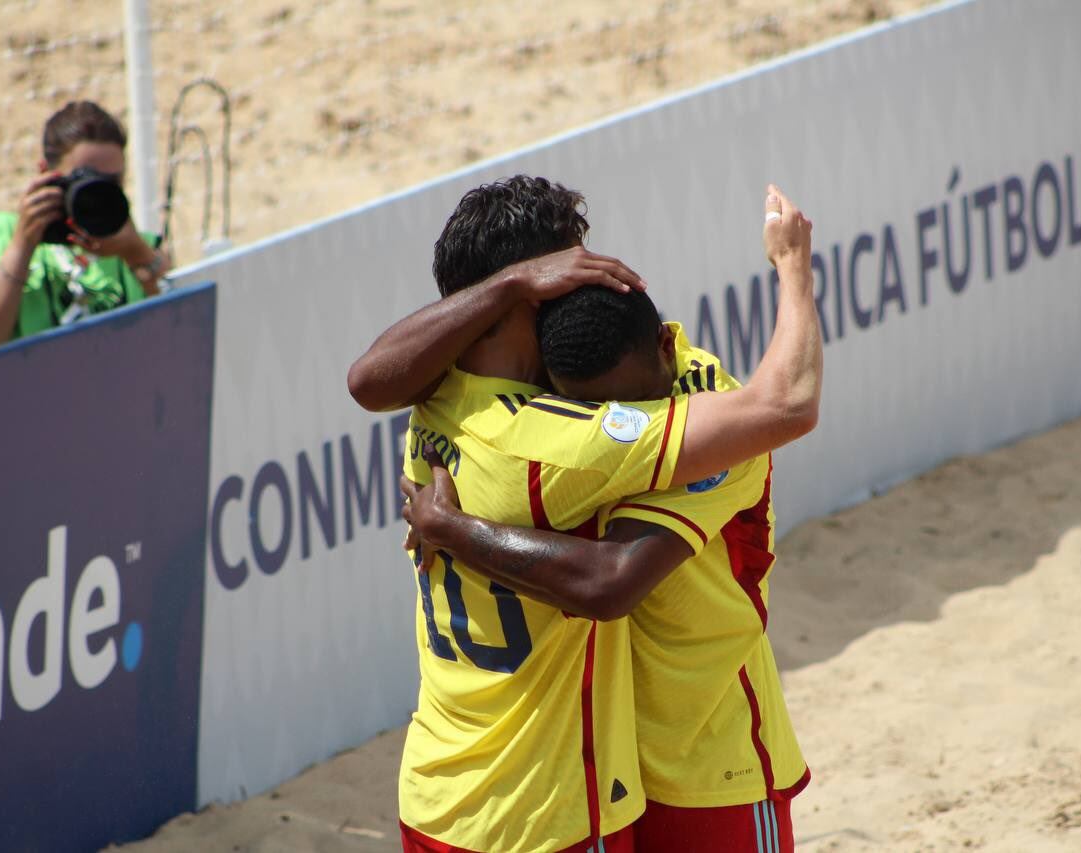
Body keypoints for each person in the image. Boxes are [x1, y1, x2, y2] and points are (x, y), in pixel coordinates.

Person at [346, 175, 820, 852]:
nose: (595, 282)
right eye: (573, 270)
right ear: (533, 289)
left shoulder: (436, 396)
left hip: (694, 757)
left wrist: (453, 529)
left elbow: (367, 380)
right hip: (572, 790)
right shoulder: (571, 439)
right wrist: (793, 269)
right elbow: (790, 404)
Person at [0, 100, 171, 354]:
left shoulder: (137, 248)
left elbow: (188, 331)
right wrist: (22, 246)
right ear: (46, 173)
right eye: (84, 178)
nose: (96, 192)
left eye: (111, 182)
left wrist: (136, 253)